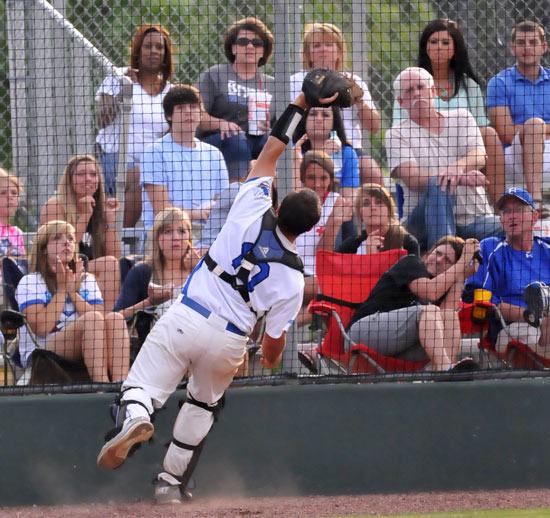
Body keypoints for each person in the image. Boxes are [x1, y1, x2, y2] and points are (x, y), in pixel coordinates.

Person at [97, 85, 346, 503]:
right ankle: (170, 485)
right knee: (201, 407)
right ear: (307, 231)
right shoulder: (294, 278)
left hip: (189, 314)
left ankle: (135, 416)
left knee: (141, 385)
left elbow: (272, 148)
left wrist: (301, 104)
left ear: (279, 206)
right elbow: (270, 353)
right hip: (231, 339)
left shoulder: (251, 204)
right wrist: (261, 352)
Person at [387, 67, 502, 252]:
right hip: (421, 224)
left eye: (420, 87)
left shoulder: (462, 118)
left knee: (516, 223)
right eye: (409, 90)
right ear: (401, 102)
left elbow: (480, 156)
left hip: (475, 220)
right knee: (438, 185)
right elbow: (413, 179)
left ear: (433, 92)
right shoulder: (396, 134)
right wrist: (460, 178)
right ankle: (444, 269)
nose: (416, 93)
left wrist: (458, 167)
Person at [393, 19, 505, 205]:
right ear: (426, 47)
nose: (439, 47)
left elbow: (479, 127)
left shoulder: (469, 85)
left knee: (489, 134)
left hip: (462, 148)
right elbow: (400, 124)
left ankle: (501, 208)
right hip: (423, 146)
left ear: (454, 49)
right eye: (433, 42)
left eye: (445, 42)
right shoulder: (410, 82)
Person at [15, 220, 130, 382]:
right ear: (43, 249)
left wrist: (71, 291)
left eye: (70, 238)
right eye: (57, 238)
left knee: (115, 319)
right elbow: (41, 329)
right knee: (93, 318)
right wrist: (62, 290)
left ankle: (122, 386)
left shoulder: (87, 280)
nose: (66, 243)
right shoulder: (30, 282)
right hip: (42, 353)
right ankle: (102, 386)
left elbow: (101, 320)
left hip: (85, 344)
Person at [347, 236, 480, 370]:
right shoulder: (411, 263)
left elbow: (447, 315)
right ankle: (445, 369)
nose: (439, 260)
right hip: (363, 334)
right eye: (438, 253)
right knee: (430, 310)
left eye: (447, 260)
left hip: (398, 346)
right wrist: (463, 261)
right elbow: (431, 291)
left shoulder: (443, 286)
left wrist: (460, 276)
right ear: (430, 252)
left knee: (449, 317)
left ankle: (443, 379)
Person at [95, 24, 173, 226]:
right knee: (141, 174)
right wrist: (123, 91)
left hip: (152, 164)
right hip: (113, 160)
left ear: (166, 54)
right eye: (148, 46)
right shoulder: (119, 76)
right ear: (138, 50)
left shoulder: (170, 92)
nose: (154, 51)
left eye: (159, 47)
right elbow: (102, 120)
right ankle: (118, 239)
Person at [290, 22, 382, 185]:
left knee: (371, 170)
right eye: (317, 45)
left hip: (348, 150)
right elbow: (285, 123)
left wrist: (359, 100)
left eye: (329, 44)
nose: (323, 49)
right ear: (308, 54)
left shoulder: (353, 80)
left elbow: (374, 127)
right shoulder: (295, 81)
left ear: (339, 52)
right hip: (305, 148)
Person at [464, 187, 550, 357]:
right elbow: (480, 298)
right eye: (506, 211)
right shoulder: (490, 248)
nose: (512, 216)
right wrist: (534, 317)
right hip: (513, 326)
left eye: (519, 210)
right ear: (501, 220)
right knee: (528, 339)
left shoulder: (547, 248)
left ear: (535, 217)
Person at [140, 84, 229, 237]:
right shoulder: (154, 152)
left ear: (201, 113)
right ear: (169, 115)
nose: (188, 112)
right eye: (181, 108)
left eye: (194, 107)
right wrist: (196, 214)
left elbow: (221, 203)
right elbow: (162, 210)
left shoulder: (214, 154)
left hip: (208, 237)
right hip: (165, 236)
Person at [195, 17, 275, 179]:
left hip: (255, 139)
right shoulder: (215, 75)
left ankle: (269, 196)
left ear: (263, 51)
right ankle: (236, 194)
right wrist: (222, 124)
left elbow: (279, 125)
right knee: (236, 139)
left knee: (271, 142)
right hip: (219, 141)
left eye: (257, 43)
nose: (250, 46)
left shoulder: (271, 84)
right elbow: (196, 115)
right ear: (233, 48)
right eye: (243, 42)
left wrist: (268, 125)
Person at [41, 155, 122, 313]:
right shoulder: (55, 206)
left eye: (93, 174)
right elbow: (61, 248)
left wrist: (109, 220)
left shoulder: (98, 209)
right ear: (70, 180)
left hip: (86, 271)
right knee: (108, 265)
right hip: (57, 268)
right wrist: (84, 216)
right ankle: (104, 320)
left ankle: (106, 321)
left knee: (112, 264)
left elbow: (115, 256)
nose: (88, 179)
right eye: (81, 174)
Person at [487, 20, 550, 209]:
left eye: (533, 42)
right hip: (515, 152)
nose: (527, 48)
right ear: (513, 47)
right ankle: (534, 202)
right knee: (534, 125)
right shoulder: (499, 82)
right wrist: (537, 130)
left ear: (543, 47)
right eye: (521, 43)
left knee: (535, 126)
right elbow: (505, 132)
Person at [114, 208, 200, 321]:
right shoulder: (142, 271)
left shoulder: (202, 270)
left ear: (189, 237)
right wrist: (150, 302)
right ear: (157, 238)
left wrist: (197, 272)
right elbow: (116, 316)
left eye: (182, 231)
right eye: (167, 231)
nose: (176, 237)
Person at [292, 104, 360, 201]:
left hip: (335, 213)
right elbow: (287, 193)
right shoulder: (293, 149)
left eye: (325, 115)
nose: (319, 119)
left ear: (334, 121)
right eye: (313, 114)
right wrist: (321, 157)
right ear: (305, 119)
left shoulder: (347, 153)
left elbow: (349, 199)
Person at [338, 183, 419, 256]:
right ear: (360, 213)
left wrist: (373, 258)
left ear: (389, 209)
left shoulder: (408, 243)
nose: (373, 207)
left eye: (379, 202)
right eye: (366, 203)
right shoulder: (348, 248)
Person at [0, 168, 26, 258]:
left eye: (14, 193)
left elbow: (22, 264)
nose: (10, 196)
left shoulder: (17, 232)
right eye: (3, 193)